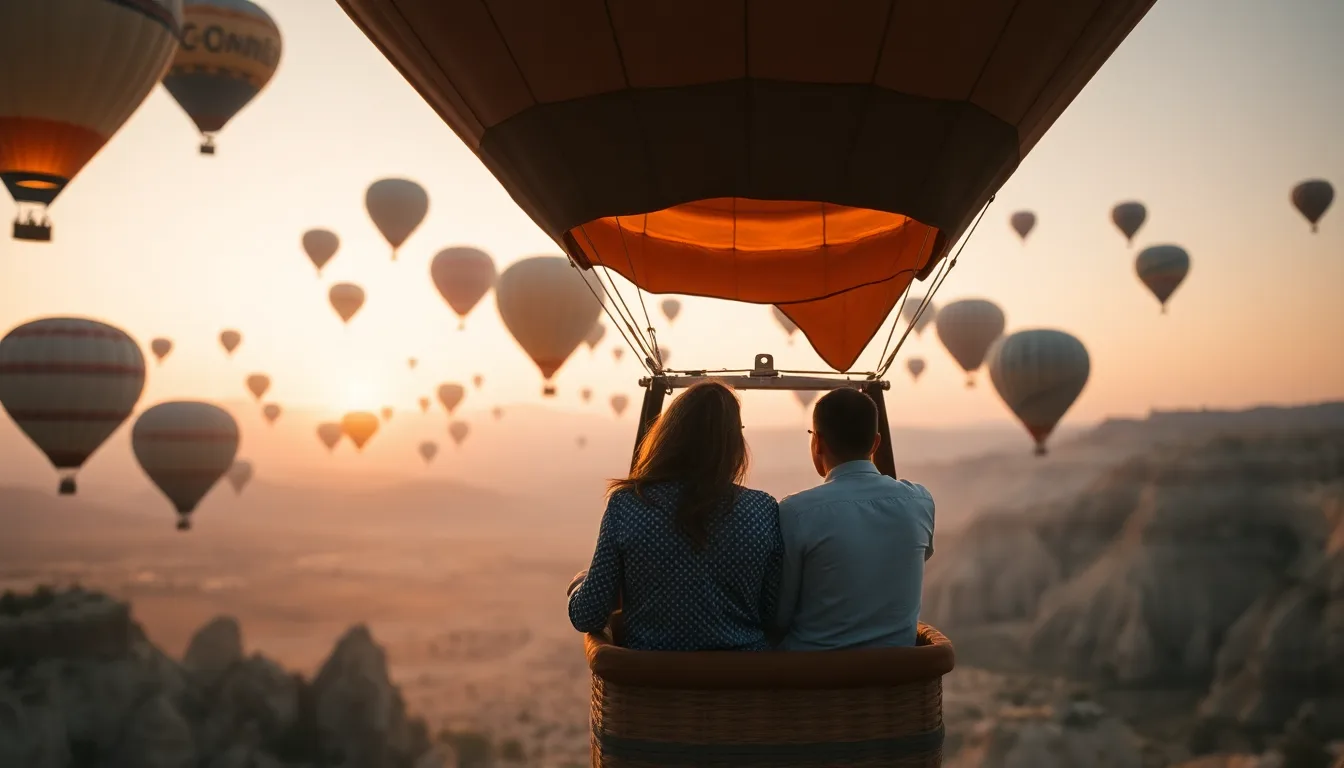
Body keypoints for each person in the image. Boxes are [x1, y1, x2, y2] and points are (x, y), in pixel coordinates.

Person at [567, 381, 783, 651]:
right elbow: (775, 613)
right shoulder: (762, 508)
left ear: (668, 435)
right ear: (733, 443)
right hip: (741, 683)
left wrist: (578, 586)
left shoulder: (628, 504)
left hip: (652, 683)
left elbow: (588, 614)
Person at [773, 387, 935, 650]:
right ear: (875, 444)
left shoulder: (796, 512)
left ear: (818, 443)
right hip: (896, 676)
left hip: (812, 680)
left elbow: (780, 615)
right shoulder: (920, 502)